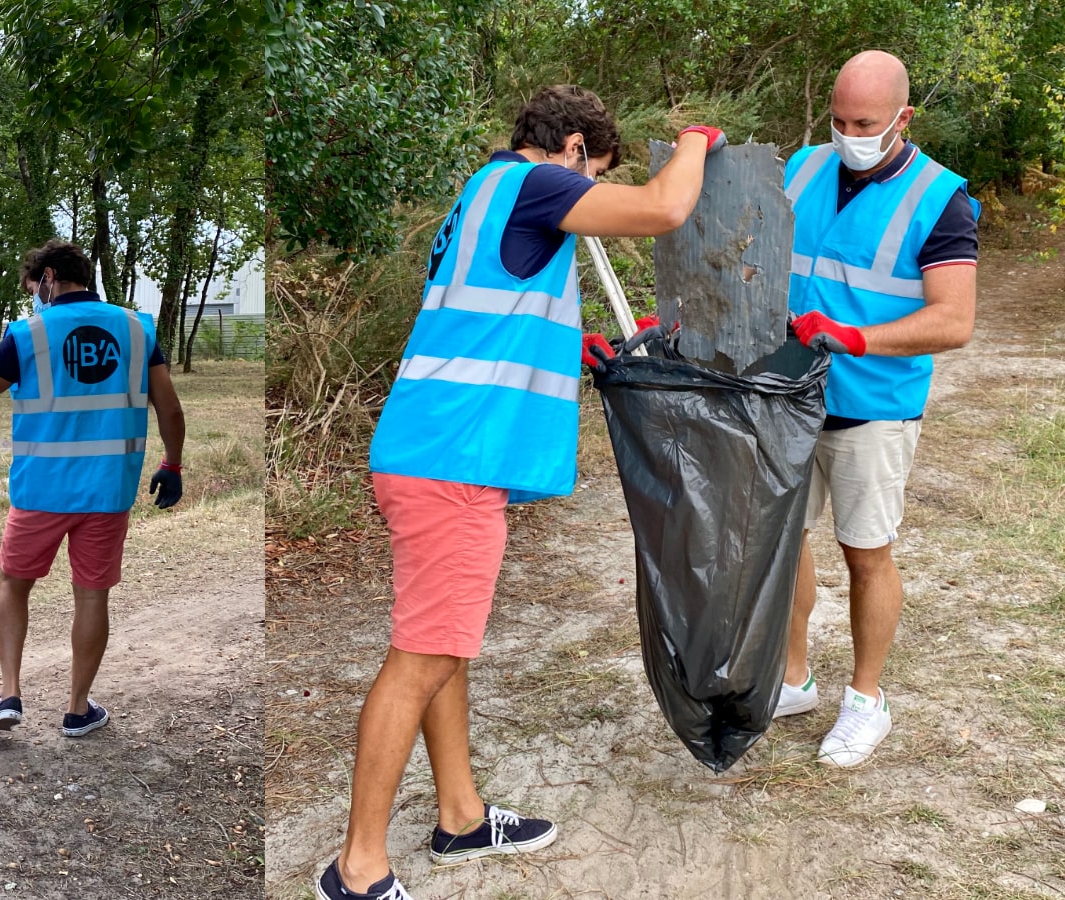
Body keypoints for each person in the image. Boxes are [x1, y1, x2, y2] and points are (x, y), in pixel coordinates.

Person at [318, 86, 725, 900]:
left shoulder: (487, 191)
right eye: (593, 171)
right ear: (572, 149)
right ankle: (357, 868)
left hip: (436, 450)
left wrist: (569, 346)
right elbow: (663, 208)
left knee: (442, 642)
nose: (589, 187)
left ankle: (461, 817)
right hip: (451, 462)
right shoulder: (539, 185)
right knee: (423, 656)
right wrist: (695, 139)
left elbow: (490, 318)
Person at [0, 239, 185, 738]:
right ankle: (78, 710)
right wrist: (172, 463)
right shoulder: (136, 329)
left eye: (32, 288)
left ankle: (9, 694)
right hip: (108, 491)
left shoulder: (27, 335)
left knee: (13, 584)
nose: (33, 298)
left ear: (48, 278)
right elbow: (168, 407)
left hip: (40, 491)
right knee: (92, 596)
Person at [776, 50, 978, 767]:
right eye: (838, 120)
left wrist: (857, 338)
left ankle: (867, 701)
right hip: (786, 395)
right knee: (782, 542)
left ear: (903, 118)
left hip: (873, 406)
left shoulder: (940, 198)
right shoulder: (801, 168)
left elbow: (954, 319)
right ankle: (793, 678)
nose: (848, 135)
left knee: (866, 554)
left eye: (864, 124)